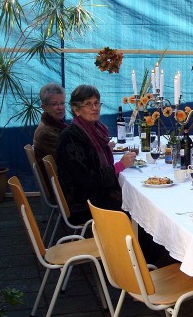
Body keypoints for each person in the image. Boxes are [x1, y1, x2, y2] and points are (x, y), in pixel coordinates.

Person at [56, 85, 136, 224]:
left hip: (95, 195)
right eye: (88, 104)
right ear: (76, 110)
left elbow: (91, 158)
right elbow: (87, 179)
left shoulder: (94, 129)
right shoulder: (70, 137)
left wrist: (106, 151)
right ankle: (134, 243)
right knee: (138, 210)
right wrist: (120, 166)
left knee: (137, 200)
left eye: (96, 103)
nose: (95, 108)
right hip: (84, 203)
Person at [33, 83, 67, 166]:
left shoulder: (56, 124)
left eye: (62, 103)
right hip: (59, 177)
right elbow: (67, 160)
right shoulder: (46, 133)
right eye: (54, 104)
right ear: (44, 107)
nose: (60, 107)